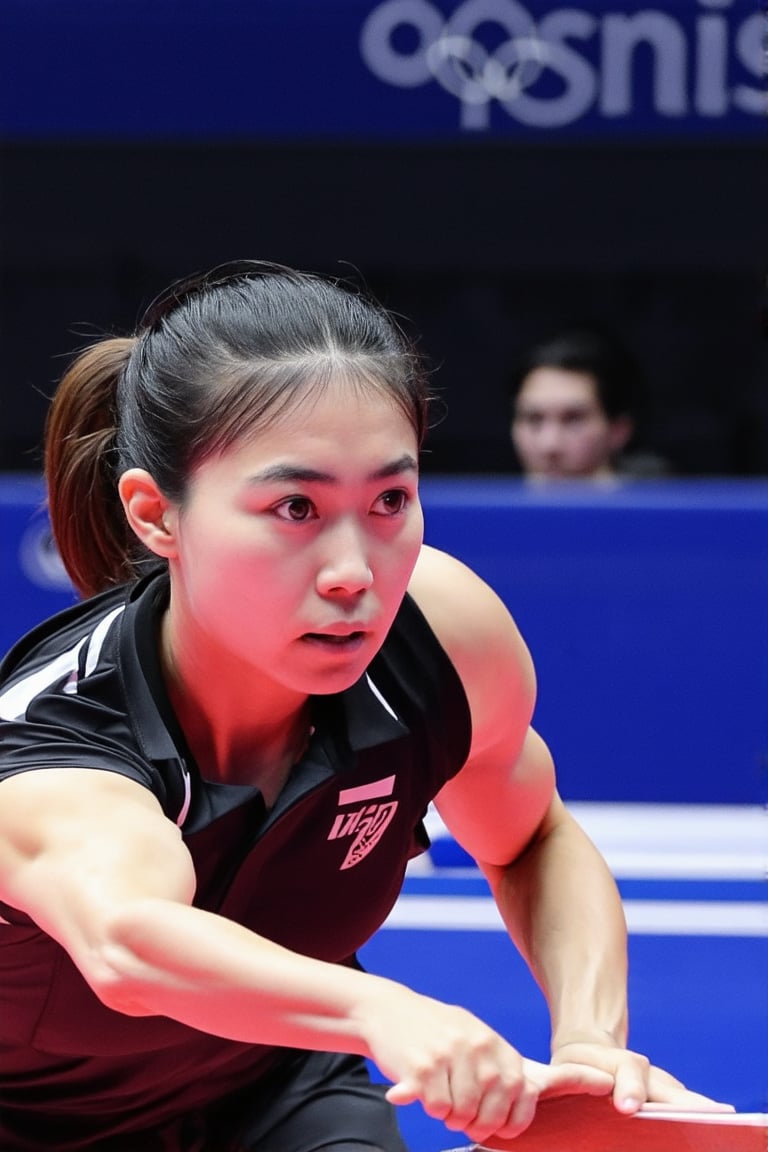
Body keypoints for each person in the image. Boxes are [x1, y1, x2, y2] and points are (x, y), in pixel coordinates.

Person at [0, 261, 727, 1152]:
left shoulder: (439, 637)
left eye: (390, 500)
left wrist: (588, 1043)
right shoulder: (53, 743)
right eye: (295, 506)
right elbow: (130, 943)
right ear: (157, 516)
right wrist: (383, 1008)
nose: (355, 572)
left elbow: (533, 835)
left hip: (270, 1082)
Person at [508, 329, 666, 481]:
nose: (550, 445)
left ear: (619, 430)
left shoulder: (661, 500)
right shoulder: (490, 504)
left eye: (574, 420)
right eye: (533, 419)